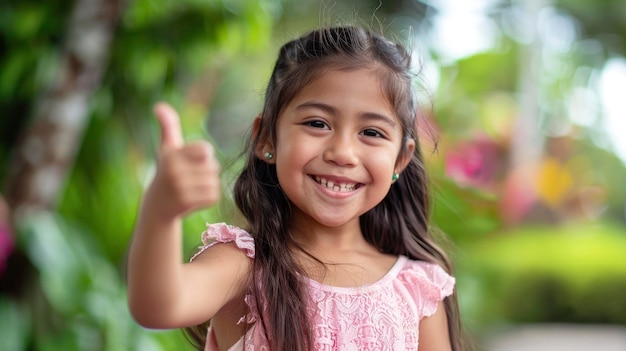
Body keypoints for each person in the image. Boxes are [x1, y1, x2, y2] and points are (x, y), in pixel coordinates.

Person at [127, 25, 467, 351]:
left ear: (400, 160)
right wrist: (161, 212)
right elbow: (158, 307)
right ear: (267, 139)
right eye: (317, 124)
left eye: (372, 132)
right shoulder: (246, 266)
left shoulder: (417, 288)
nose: (343, 154)